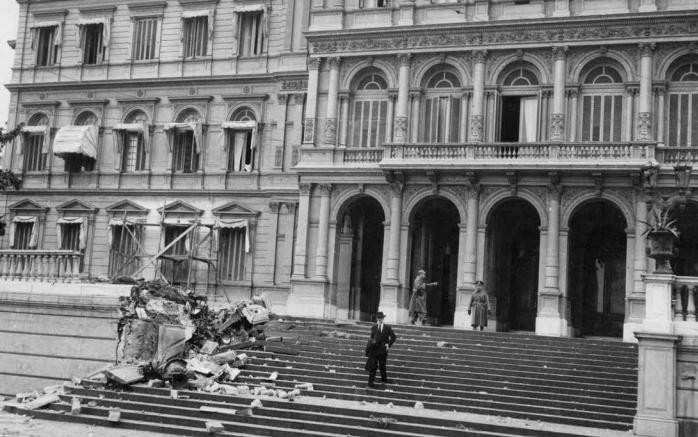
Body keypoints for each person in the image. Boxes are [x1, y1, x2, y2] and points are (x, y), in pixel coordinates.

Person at [364, 312, 397, 388]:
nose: (380, 319)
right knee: (373, 367)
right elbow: (371, 338)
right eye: (378, 318)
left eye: (381, 318)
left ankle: (384, 380)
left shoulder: (387, 328)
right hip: (374, 351)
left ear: (383, 319)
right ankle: (370, 383)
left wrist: (388, 344)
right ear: (377, 319)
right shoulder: (374, 328)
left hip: (383, 350)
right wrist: (372, 342)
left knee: (382, 366)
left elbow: (394, 337)